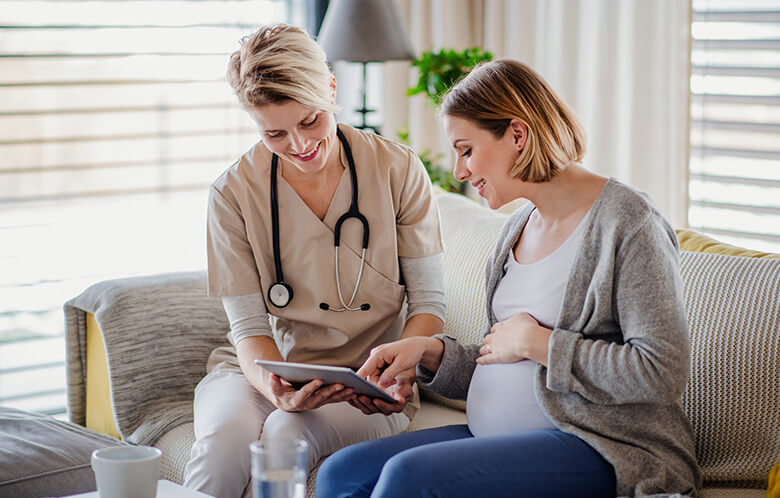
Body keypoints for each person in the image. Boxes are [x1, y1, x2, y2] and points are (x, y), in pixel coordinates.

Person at [315, 59, 702, 498]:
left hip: (599, 445)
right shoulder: (517, 227)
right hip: (496, 438)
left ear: (517, 135)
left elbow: (661, 373)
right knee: (341, 473)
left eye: (466, 150)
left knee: (411, 479)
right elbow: (500, 354)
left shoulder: (628, 222)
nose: (459, 171)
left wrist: (539, 344)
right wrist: (430, 354)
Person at [183, 24, 445, 498]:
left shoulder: (398, 168)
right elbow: (248, 331)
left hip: (367, 380)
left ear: (331, 90)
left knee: (287, 434)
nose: (299, 146)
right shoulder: (233, 193)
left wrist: (396, 373)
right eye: (274, 133)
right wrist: (273, 386)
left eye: (310, 122)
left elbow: (429, 303)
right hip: (265, 367)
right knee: (224, 441)